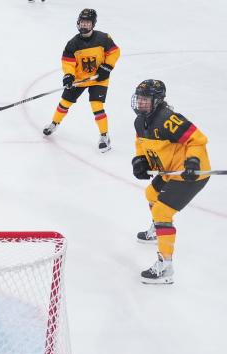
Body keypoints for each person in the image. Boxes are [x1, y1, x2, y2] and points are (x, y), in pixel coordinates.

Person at [130, 79, 211, 284]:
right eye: (139, 99)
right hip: (170, 171)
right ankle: (159, 229)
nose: (140, 103)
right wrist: (139, 160)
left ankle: (166, 267)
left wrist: (192, 161)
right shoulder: (140, 121)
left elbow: (197, 139)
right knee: (150, 194)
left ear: (157, 101)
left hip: (191, 174)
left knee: (162, 211)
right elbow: (141, 144)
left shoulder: (169, 119)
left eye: (145, 100)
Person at [42, 9, 120, 153]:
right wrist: (69, 76)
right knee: (64, 103)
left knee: (96, 106)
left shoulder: (103, 38)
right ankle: (54, 123)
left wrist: (107, 66)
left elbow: (114, 52)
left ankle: (104, 136)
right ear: (78, 23)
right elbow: (68, 63)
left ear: (93, 24)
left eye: (87, 23)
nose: (84, 25)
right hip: (79, 80)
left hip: (98, 79)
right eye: (82, 22)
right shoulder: (72, 44)